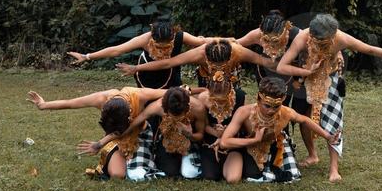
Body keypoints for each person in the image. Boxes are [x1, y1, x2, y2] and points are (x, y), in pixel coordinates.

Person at [276, 13, 382, 172]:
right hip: (305, 78)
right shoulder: (302, 38)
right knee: (303, 119)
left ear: (332, 35)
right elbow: (282, 67)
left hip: (331, 79)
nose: (321, 44)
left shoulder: (341, 38)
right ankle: (312, 155)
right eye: (317, 41)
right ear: (312, 34)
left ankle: (334, 169)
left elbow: (370, 49)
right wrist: (307, 71)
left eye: (325, 42)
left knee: (333, 122)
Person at [117, 38, 274, 125]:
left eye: (222, 65)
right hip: (206, 88)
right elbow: (168, 63)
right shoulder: (199, 54)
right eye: (214, 65)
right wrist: (137, 67)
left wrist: (292, 68)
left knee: (238, 104)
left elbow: (265, 62)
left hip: (231, 88)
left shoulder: (238, 52)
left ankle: (235, 132)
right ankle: (203, 134)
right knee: (203, 108)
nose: (217, 69)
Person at [27, 85, 166, 180]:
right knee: (117, 174)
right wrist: (43, 105)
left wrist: (184, 90)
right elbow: (71, 103)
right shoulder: (101, 99)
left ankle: (141, 159)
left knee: (138, 175)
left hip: (139, 135)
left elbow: (170, 92)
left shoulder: (140, 95)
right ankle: (127, 160)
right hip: (113, 139)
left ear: (130, 113)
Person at [218, 77, 340, 184]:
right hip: (244, 147)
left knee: (287, 175)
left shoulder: (285, 112)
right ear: (258, 99)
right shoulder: (244, 112)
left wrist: (328, 136)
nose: (271, 111)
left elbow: (305, 120)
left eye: (276, 106)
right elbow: (224, 142)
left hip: (273, 147)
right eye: (267, 106)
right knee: (233, 179)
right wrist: (255, 140)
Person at [67, 17, 207, 90]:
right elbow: (117, 50)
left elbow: (202, 42)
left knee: (175, 101)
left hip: (171, 72)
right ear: (152, 37)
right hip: (148, 75)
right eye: (159, 45)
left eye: (167, 45)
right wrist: (87, 56)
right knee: (150, 106)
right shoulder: (143, 39)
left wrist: (226, 40)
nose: (163, 49)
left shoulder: (180, 36)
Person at [113, 86, 207, 178]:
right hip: (168, 141)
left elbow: (201, 135)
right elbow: (136, 122)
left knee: (190, 173)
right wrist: (117, 135)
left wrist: (189, 134)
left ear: (187, 108)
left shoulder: (198, 108)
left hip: (190, 142)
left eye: (179, 116)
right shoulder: (158, 106)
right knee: (169, 172)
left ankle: (189, 158)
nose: (176, 119)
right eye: (172, 116)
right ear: (165, 108)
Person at [236, 9, 301, 100]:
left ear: (285, 31)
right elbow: (234, 45)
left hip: (289, 76)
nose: (272, 46)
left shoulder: (297, 35)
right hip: (264, 74)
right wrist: (261, 60)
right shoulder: (257, 34)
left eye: (276, 41)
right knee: (264, 102)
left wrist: (298, 78)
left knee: (282, 103)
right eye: (267, 40)